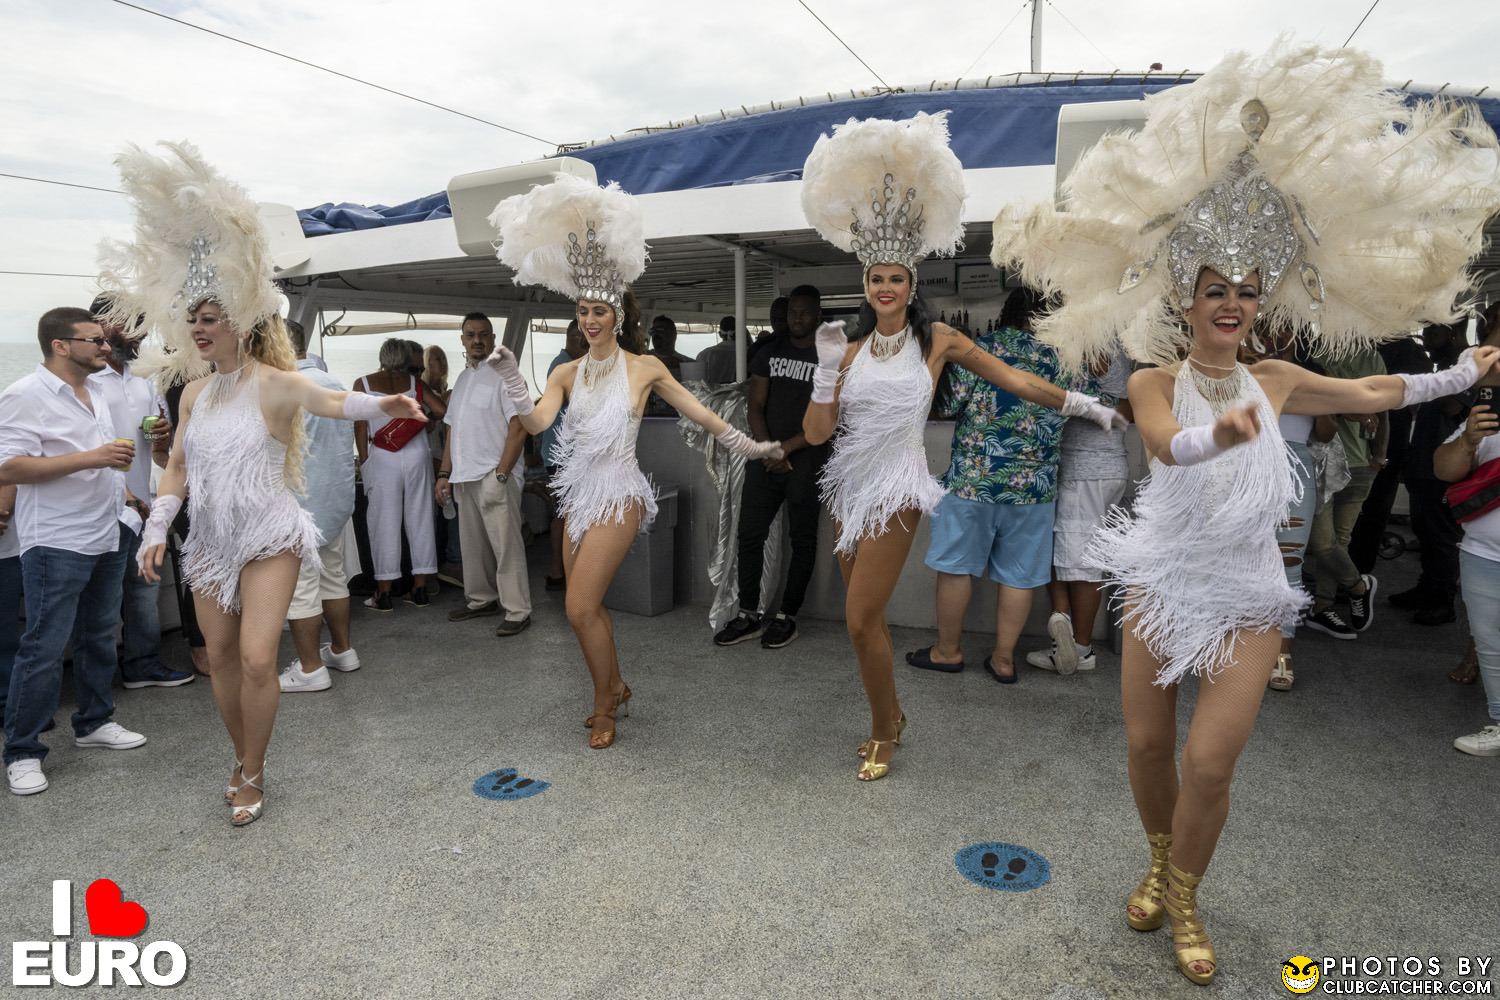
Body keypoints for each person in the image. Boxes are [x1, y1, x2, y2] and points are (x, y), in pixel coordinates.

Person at [994, 44, 1500, 985]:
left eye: (1245, 291)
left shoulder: (1279, 377)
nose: (1231, 304)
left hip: (1247, 591)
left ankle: (1186, 893)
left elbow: (1381, 392)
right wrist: (1214, 439)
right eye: (1214, 290)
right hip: (1158, 577)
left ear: (1261, 299)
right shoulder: (1153, 379)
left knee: (1213, 763)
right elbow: (1164, 444)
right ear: (1187, 299)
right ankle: (1157, 857)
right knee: (1148, 746)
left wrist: (1465, 370)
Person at [106, 141, 424, 826]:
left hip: (270, 534)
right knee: (219, 658)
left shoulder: (277, 384)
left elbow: (334, 404)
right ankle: (242, 754)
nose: (198, 330)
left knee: (256, 659)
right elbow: (179, 468)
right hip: (211, 543)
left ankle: (254, 769)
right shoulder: (192, 396)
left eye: (209, 320)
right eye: (193, 321)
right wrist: (158, 529)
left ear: (241, 325)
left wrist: (387, 404)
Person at [798, 112, 1122, 782]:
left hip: (898, 489)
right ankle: (888, 716)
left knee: (861, 617)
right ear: (865, 286)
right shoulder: (850, 349)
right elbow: (815, 436)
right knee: (858, 624)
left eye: (896, 278)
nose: (885, 288)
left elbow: (1013, 377)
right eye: (875, 279)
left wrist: (1081, 402)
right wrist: (827, 369)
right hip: (849, 490)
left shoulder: (937, 341)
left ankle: (887, 726)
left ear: (911, 285)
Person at [488, 174, 782, 750]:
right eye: (583, 311)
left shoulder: (644, 369)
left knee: (577, 604)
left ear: (617, 317)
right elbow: (538, 423)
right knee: (585, 612)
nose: (590, 320)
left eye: (600, 310)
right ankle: (614, 685)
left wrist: (753, 447)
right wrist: (511, 382)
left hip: (620, 495)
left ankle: (604, 704)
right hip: (577, 496)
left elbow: (701, 414)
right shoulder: (565, 373)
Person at [1, 307, 148, 796]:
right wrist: (94, 457)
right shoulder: (25, 394)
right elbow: (9, 468)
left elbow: (104, 457)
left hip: (106, 529)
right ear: (60, 345)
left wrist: (124, 494)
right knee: (43, 647)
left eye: (104, 341)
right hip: (56, 540)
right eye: (95, 341)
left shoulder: (97, 390)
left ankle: (94, 722)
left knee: (100, 634)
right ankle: (22, 750)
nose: (107, 349)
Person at [906, 285, 1074, 683]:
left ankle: (947, 652)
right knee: (1018, 575)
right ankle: (1003, 660)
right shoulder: (1067, 359)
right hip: (1034, 487)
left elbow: (945, 405)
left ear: (1009, 311)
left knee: (956, 567)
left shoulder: (978, 348)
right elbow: (1087, 403)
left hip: (972, 481)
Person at [714, 285, 829, 649]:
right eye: (793, 311)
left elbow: (826, 420)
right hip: (765, 459)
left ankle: (787, 617)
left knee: (802, 541)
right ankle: (749, 614)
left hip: (807, 460)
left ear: (817, 316)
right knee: (749, 535)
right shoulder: (768, 353)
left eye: (804, 312)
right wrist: (767, 449)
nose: (797, 317)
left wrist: (785, 451)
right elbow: (755, 406)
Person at [86, 296, 193, 689]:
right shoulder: (84, 380)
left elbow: (155, 445)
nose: (140, 333)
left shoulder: (142, 381)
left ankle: (141, 664)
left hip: (142, 504)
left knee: (143, 590)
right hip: (99, 507)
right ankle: (94, 689)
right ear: (101, 322)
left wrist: (160, 435)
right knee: (100, 602)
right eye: (131, 323)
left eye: (143, 324)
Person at [1026, 343, 1133, 675]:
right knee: (1064, 553)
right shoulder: (1115, 347)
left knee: (1082, 561)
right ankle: (1067, 635)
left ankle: (1082, 649)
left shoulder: (1098, 346)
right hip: (1093, 467)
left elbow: (1119, 409)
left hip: (1089, 469)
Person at [435, 313, 533, 636]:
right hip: (465, 477)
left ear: (492, 339)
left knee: (506, 547)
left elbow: (519, 427)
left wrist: (502, 474)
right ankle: (481, 599)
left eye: (483, 335)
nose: (476, 340)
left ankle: (518, 610)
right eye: (470, 335)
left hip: (495, 475)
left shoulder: (507, 377)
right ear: (462, 340)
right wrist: (444, 473)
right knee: (473, 548)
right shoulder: (463, 380)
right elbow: (452, 430)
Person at [279, 319, 361, 692]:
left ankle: (310, 669)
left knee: (301, 587)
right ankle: (343, 650)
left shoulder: (285, 388)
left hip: (300, 503)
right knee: (333, 575)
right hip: (336, 500)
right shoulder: (334, 384)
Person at [1433, 369, 1500, 757]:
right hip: (1483, 552)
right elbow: (1444, 469)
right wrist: (1469, 440)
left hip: (1482, 551)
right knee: (1490, 643)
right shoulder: (1486, 418)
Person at [353, 337, 447, 610]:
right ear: (406, 359)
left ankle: (383, 592)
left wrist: (365, 461)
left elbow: (360, 426)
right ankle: (419, 589)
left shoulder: (364, 384)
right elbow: (442, 410)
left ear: (383, 357)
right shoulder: (415, 384)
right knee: (420, 518)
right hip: (417, 454)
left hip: (382, 458)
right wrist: (421, 424)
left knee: (384, 521)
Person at [1301, 344, 1386, 639]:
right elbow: (1325, 402)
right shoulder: (1313, 356)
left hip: (1362, 463)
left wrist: (1380, 455)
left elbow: (1382, 408)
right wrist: (1353, 411)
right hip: (1321, 462)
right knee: (1324, 543)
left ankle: (1323, 607)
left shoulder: (1371, 355)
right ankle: (1358, 587)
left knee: (1340, 540)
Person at [1393, 322, 1471, 625]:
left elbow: (1453, 406)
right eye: (1424, 336)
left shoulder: (1464, 368)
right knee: (1424, 531)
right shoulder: (1443, 369)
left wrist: (1425, 385)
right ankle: (1426, 589)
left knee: (1442, 537)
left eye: (1433, 336)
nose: (1426, 343)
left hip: (1444, 466)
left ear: (1451, 335)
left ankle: (1442, 601)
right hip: (1422, 464)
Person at [539, 321, 587, 590]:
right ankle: (559, 572)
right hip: (562, 456)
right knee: (564, 514)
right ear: (575, 337)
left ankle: (565, 570)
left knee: (568, 513)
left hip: (569, 454)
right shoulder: (562, 366)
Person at [697, 315, 740, 385]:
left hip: (713, 394)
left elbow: (699, 382)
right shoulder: (749, 352)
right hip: (741, 394)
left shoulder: (705, 354)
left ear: (720, 334)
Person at [747, 296, 789, 367]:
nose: (777, 323)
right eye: (774, 319)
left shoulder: (759, 346)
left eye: (782, 319)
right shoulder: (760, 346)